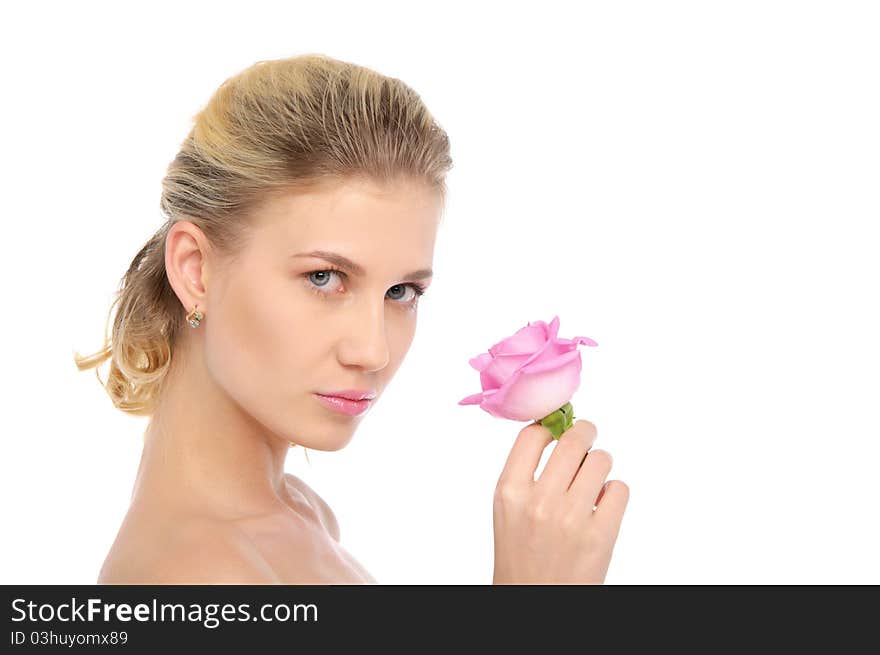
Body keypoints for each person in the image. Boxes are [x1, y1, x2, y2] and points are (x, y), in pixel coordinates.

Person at [74, 53, 628, 585]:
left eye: (401, 291)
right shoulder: (199, 577)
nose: (373, 351)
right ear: (196, 271)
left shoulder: (298, 514)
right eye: (324, 277)